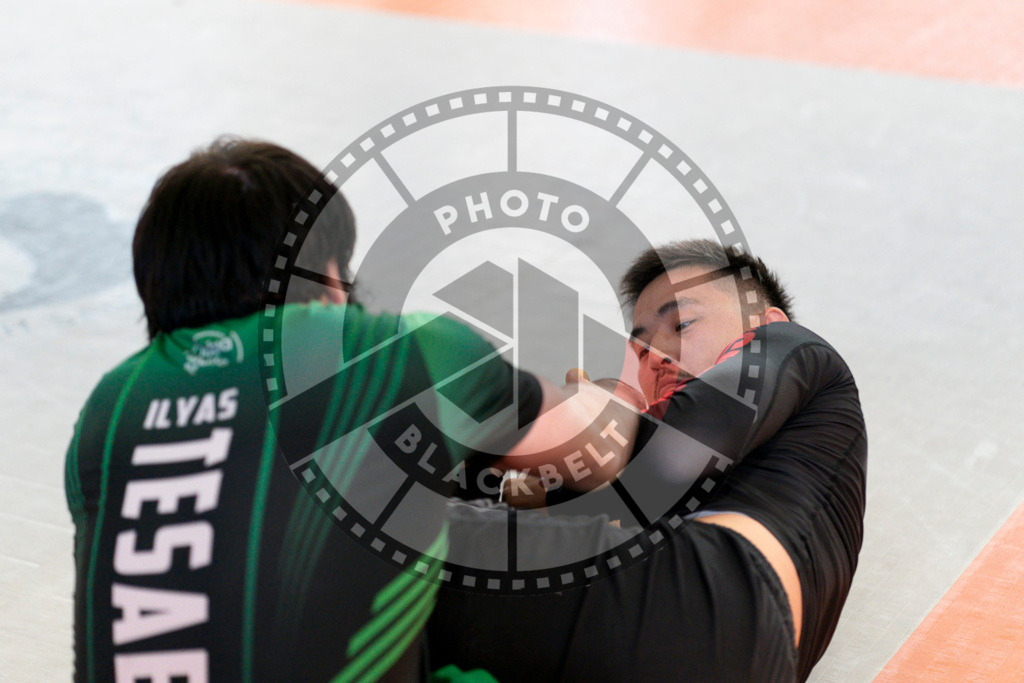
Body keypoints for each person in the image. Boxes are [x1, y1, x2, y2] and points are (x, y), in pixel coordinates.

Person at [63, 137, 639, 682]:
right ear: (329, 274)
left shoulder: (109, 407)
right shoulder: (391, 352)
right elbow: (596, 449)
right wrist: (616, 391)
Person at [428, 239, 867, 681]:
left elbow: (670, 459)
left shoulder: (797, 349)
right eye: (640, 350)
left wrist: (593, 413)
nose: (656, 356)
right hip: (728, 642)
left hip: (710, 591)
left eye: (682, 324)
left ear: (765, 322)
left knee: (398, 540)